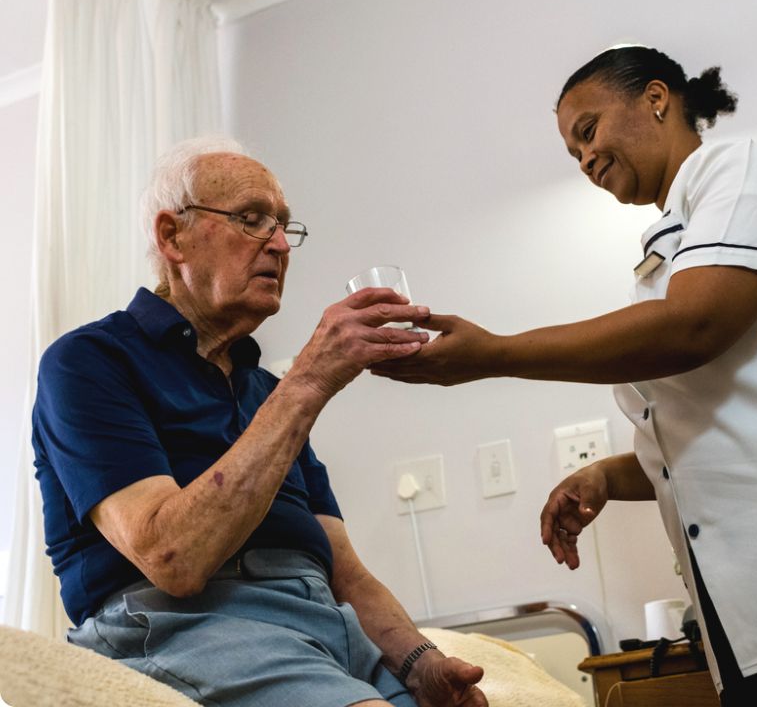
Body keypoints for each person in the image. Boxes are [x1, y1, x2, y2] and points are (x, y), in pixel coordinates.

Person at [372, 46, 757, 706]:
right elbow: (701, 438)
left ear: (656, 98)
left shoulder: (740, 170)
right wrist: (605, 476)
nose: (586, 159)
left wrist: (495, 354)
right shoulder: (666, 254)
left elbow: (695, 327)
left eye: (588, 132)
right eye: (573, 154)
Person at [31, 136, 487, 707]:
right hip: (186, 623)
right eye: (251, 219)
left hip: (322, 623)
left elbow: (346, 572)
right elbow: (172, 558)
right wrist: (309, 381)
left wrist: (421, 662)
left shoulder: (262, 390)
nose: (278, 244)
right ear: (172, 236)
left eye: (283, 226)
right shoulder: (89, 361)